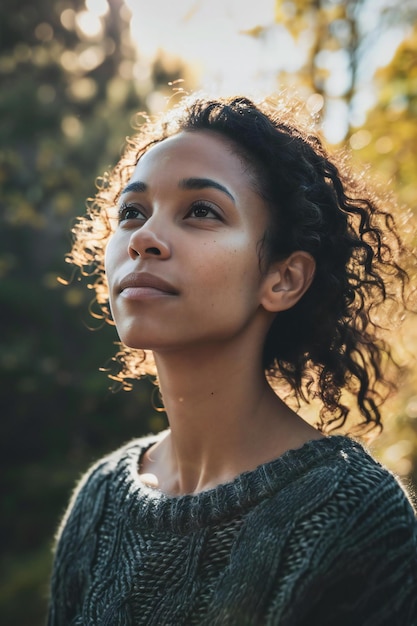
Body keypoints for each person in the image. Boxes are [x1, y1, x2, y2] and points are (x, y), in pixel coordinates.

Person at [47, 94, 417, 625]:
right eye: (132, 212)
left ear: (283, 279)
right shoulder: (100, 499)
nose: (143, 239)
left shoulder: (353, 512)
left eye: (201, 211)